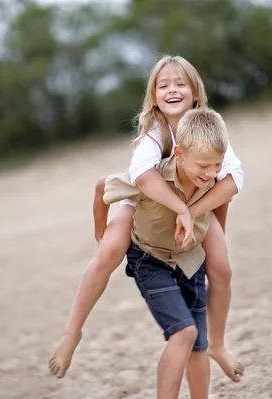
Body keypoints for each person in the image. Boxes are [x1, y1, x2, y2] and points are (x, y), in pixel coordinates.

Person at [49, 55, 245, 382]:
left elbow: (233, 178)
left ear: (195, 92)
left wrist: (192, 213)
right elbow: (140, 175)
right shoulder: (157, 130)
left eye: (181, 83)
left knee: (222, 267)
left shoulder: (209, 125)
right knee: (110, 250)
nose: (172, 89)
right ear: (154, 96)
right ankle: (72, 333)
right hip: (146, 200)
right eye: (163, 85)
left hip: (194, 204)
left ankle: (218, 345)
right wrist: (178, 209)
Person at [106, 108, 229, 399]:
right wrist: (100, 231)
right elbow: (105, 187)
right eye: (204, 165)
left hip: (191, 261)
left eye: (217, 164)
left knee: (198, 343)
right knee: (184, 333)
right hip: (149, 260)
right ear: (180, 154)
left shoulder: (214, 178)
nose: (212, 172)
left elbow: (226, 197)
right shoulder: (153, 177)